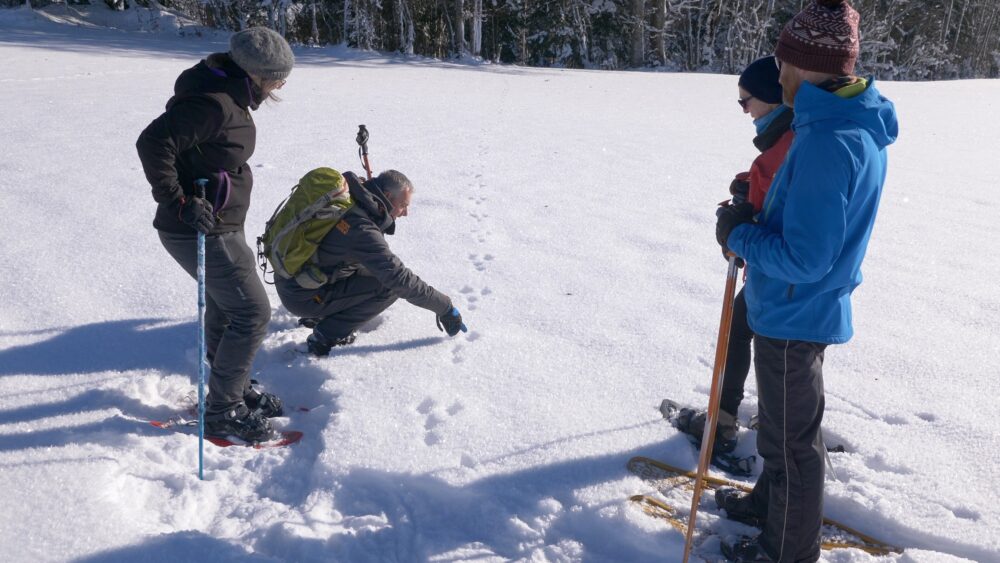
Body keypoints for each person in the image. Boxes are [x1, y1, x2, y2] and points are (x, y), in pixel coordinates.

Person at [713, 0, 898, 561]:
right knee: (780, 429)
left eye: (783, 60)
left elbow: (807, 258)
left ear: (807, 65)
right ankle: (770, 506)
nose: (779, 71)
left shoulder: (826, 141)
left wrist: (738, 237)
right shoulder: (832, 124)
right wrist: (752, 214)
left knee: (792, 444)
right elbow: (804, 224)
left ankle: (786, 550)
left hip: (795, 312)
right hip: (795, 308)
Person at [136, 27, 295, 443]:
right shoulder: (215, 103)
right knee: (252, 312)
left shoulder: (226, 91)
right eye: (278, 78)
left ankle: (233, 388)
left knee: (228, 307)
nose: (281, 86)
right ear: (256, 74)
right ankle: (224, 410)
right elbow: (153, 143)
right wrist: (181, 201)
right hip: (199, 229)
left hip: (222, 223)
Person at [674, 55, 795, 455]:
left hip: (780, 274)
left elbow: (780, 197)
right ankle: (764, 420)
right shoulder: (790, 136)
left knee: (746, 335)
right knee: (755, 338)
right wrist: (747, 186)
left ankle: (728, 422)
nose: (744, 111)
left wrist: (739, 226)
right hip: (781, 273)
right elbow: (773, 185)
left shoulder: (788, 144)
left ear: (770, 99)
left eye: (746, 101)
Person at [275, 170, 467, 356]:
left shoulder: (352, 197)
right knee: (389, 286)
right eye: (403, 205)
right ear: (387, 196)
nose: (405, 213)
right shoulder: (361, 229)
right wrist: (445, 307)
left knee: (372, 269)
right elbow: (399, 278)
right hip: (302, 296)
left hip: (293, 278)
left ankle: (321, 314)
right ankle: (326, 336)